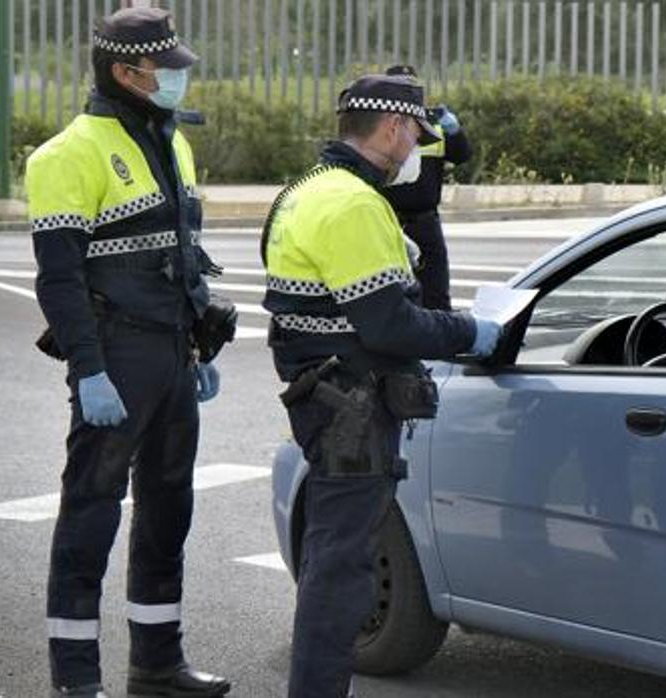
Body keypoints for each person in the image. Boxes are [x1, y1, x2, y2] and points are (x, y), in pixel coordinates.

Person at [260, 73, 501, 697]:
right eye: (416, 133)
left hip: (322, 394)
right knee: (342, 572)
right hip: (354, 403)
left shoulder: (303, 190)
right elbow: (389, 323)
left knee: (332, 560)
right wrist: (473, 330)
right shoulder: (356, 204)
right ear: (393, 127)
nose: (417, 147)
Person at [26, 7, 233, 697]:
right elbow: (59, 280)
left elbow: (185, 254)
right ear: (124, 72)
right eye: (164, 70)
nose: (176, 80)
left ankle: (158, 664)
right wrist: (88, 369)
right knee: (91, 514)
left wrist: (200, 343)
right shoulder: (66, 155)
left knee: (168, 513)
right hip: (115, 356)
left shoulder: (173, 143)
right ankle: (75, 680)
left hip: (172, 353)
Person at [379, 64, 473, 311]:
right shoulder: (376, 125)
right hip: (387, 222)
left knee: (436, 295)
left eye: (410, 87)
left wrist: (455, 132)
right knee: (389, 294)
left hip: (425, 222)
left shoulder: (434, 124)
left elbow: (462, 155)